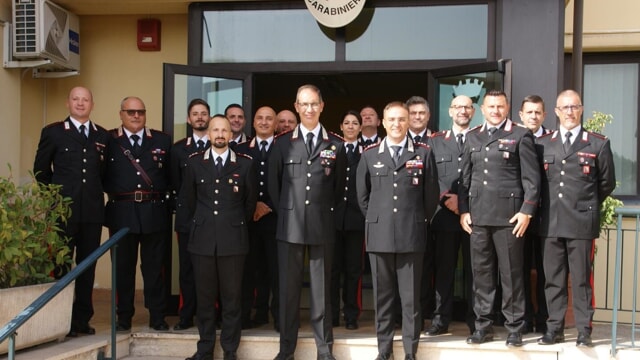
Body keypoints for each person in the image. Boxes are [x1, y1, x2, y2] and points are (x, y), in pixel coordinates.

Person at [268, 84, 347, 360]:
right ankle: (286, 349)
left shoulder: (335, 144)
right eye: (304, 104)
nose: (310, 109)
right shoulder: (281, 143)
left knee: (321, 292)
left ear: (322, 106)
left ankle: (324, 349)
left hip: (321, 225)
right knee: (288, 292)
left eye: (314, 104)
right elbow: (274, 187)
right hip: (289, 226)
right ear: (297, 107)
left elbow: (337, 189)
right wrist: (289, 212)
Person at [356, 101, 439, 360]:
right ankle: (384, 350)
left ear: (408, 122)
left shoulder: (423, 153)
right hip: (379, 237)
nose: (397, 124)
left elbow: (431, 196)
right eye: (391, 119)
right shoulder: (369, 155)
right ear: (382, 121)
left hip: (411, 236)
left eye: (402, 119)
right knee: (383, 299)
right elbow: (362, 197)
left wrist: (414, 220)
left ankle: (410, 352)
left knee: (411, 300)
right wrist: (379, 220)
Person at [458, 90, 540, 347]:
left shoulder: (520, 135)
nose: (495, 110)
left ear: (507, 108)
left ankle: (514, 327)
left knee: (511, 275)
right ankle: (482, 326)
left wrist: (526, 211)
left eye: (500, 106)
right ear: (482, 109)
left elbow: (532, 179)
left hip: (509, 218)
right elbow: (464, 179)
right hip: (479, 217)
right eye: (491, 106)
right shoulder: (473, 137)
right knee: (481, 274)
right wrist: (464, 210)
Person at [536, 90, 616, 347]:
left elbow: (606, 183)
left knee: (581, 279)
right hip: (551, 223)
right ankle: (554, 328)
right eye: (564, 107)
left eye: (574, 107)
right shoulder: (543, 144)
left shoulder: (597, 143)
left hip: (581, 222)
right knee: (553, 280)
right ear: (557, 112)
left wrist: (584, 204)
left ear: (581, 110)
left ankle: (584, 329)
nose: (569, 112)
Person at [33, 86, 109, 337]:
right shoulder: (54, 132)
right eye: (75, 99)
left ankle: (81, 320)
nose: (80, 103)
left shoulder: (102, 135)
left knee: (87, 266)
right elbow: (41, 172)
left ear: (92, 104)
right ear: (68, 103)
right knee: (60, 265)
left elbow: (104, 174)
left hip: (92, 213)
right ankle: (59, 321)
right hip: (62, 213)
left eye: (85, 99)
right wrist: (55, 201)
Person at [180, 115, 257, 360]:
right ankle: (205, 349)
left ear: (231, 134)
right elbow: (189, 202)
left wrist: (229, 223)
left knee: (232, 299)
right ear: (209, 134)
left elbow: (249, 203)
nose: (220, 134)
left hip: (233, 240)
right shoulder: (194, 163)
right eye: (216, 130)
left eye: (224, 130)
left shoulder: (244, 164)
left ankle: (230, 350)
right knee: (204, 298)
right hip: (202, 240)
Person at [103, 96, 172, 332]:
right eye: (130, 112)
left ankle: (157, 316)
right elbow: (100, 176)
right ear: (121, 114)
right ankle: (124, 317)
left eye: (140, 111)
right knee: (123, 268)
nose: (136, 116)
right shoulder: (109, 140)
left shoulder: (162, 139)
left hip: (154, 212)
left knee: (154, 269)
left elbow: (171, 177)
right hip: (122, 213)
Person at [425, 95, 475, 336]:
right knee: (444, 270)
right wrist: (448, 198)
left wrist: (466, 203)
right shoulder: (434, 141)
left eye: (467, 107)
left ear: (473, 111)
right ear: (450, 111)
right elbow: (430, 177)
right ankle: (440, 319)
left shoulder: (480, 138)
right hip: (445, 216)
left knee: (476, 271)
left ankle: (476, 320)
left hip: (475, 216)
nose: (462, 111)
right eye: (458, 107)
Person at [236, 106, 280, 331]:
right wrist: (253, 205)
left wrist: (269, 206)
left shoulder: (285, 146)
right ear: (253, 123)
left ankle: (279, 319)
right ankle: (247, 316)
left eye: (269, 119)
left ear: (276, 123)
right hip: (248, 221)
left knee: (276, 271)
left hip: (276, 220)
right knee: (248, 271)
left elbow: (291, 183)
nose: (264, 122)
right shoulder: (240, 148)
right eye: (260, 118)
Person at [170, 98, 211, 331]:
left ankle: (212, 314)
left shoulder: (218, 145)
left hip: (212, 219)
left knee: (210, 271)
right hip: (187, 219)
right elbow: (176, 184)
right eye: (195, 114)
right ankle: (186, 315)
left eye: (204, 113)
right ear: (188, 119)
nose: (199, 117)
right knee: (186, 270)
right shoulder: (178, 149)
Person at [518, 95, 551, 334]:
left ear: (544, 115)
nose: (533, 116)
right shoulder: (513, 138)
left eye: (537, 112)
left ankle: (544, 319)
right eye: (529, 112)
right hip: (517, 216)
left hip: (547, 217)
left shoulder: (553, 140)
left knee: (545, 270)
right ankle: (523, 318)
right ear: (520, 115)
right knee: (517, 270)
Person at [331, 110, 366, 330]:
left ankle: (351, 314)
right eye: (347, 123)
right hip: (334, 218)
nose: (351, 126)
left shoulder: (368, 152)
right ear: (341, 127)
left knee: (354, 270)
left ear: (361, 128)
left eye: (355, 123)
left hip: (356, 219)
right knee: (333, 270)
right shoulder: (332, 150)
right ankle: (332, 314)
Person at [405, 95, 434, 327]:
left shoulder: (438, 141)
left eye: (421, 113)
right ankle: (400, 315)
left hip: (435, 215)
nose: (417, 117)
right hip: (406, 219)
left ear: (428, 116)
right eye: (413, 113)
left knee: (429, 267)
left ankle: (425, 312)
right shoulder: (394, 141)